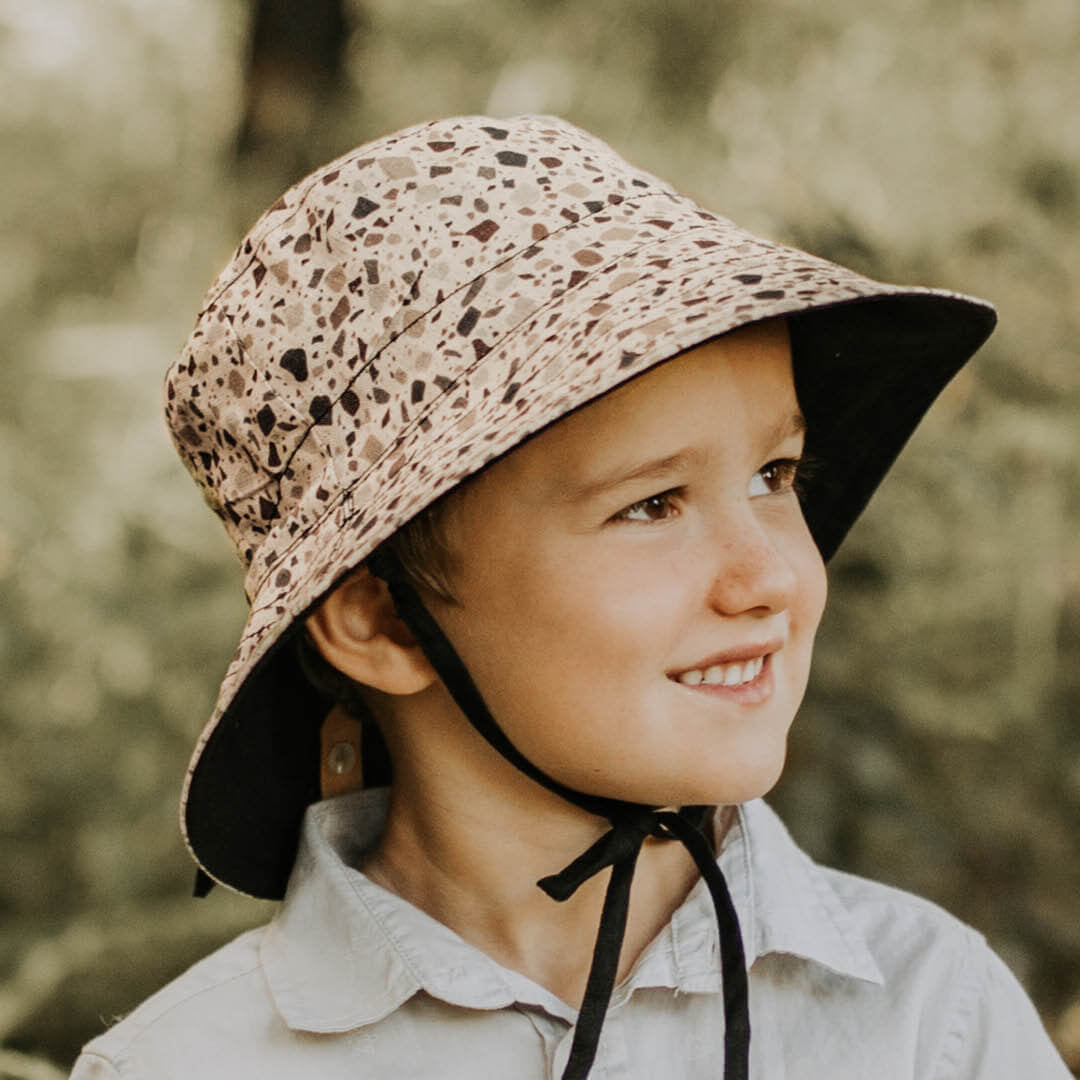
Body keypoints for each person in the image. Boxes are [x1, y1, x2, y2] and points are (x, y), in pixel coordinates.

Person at [70, 114, 1070, 1079]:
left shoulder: (931, 1024)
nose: (771, 576)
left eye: (777, 475)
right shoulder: (184, 1068)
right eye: (652, 505)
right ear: (378, 617)